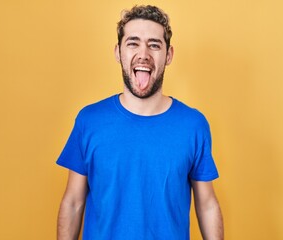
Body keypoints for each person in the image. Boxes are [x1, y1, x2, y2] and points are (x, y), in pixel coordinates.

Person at [56, 5, 223, 240]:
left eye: (154, 44)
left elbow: (207, 205)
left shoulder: (193, 125)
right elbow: (73, 202)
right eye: (133, 43)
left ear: (169, 55)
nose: (143, 53)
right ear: (118, 52)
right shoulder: (89, 121)